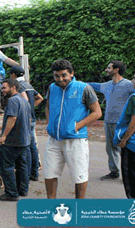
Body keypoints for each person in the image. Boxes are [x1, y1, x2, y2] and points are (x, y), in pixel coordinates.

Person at [44, 59, 102, 199]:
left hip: (76, 139)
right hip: (54, 139)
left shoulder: (84, 88)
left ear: (72, 73)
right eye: (57, 76)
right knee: (49, 173)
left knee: (79, 174)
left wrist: (76, 127)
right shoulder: (53, 87)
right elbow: (47, 106)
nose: (60, 79)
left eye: (64, 75)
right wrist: (49, 123)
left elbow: (97, 112)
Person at [86, 60, 134, 180]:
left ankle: (128, 175)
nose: (106, 70)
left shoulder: (129, 85)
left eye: (108, 68)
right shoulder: (107, 85)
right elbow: (93, 85)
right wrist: (77, 82)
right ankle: (114, 172)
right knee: (110, 148)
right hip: (108, 121)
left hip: (123, 122)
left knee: (126, 148)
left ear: (116, 70)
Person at [0, 79, 31, 201]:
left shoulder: (12, 100)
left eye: (4, 88)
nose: (2, 90)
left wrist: (4, 136)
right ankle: (23, 190)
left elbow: (12, 118)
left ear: (13, 87)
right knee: (22, 166)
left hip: (12, 141)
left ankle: (11, 193)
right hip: (24, 140)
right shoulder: (25, 101)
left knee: (7, 167)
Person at [8, 66, 44, 181]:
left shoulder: (19, 86)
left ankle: (27, 174)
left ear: (13, 75)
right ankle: (34, 173)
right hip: (32, 119)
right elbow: (40, 98)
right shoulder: (28, 85)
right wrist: (30, 109)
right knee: (32, 146)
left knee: (26, 147)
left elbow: (25, 100)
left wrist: (23, 111)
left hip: (26, 120)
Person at [114, 68, 135, 199]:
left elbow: (134, 122)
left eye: (134, 78)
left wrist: (124, 140)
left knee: (133, 182)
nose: (132, 81)